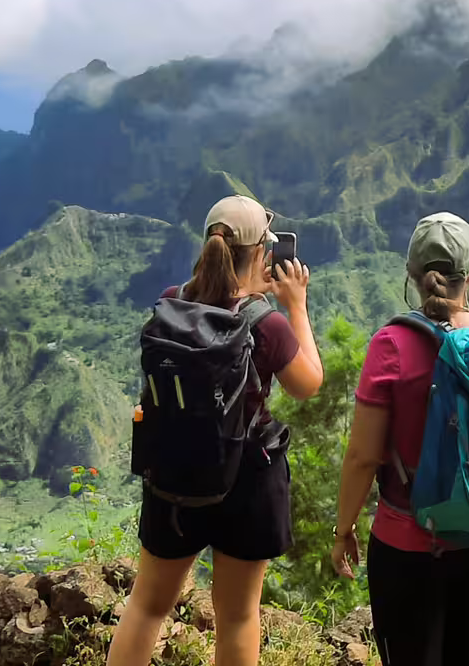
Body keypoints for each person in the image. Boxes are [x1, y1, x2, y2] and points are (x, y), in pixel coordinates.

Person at [107, 194, 324, 666]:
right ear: (264, 253)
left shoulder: (171, 302)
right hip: (247, 477)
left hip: (173, 474)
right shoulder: (264, 323)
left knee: (146, 605)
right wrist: (296, 306)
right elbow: (309, 384)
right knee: (239, 616)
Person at [330, 212, 469, 666]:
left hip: (410, 546)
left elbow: (362, 457)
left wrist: (343, 530)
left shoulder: (391, 345)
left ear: (410, 275)